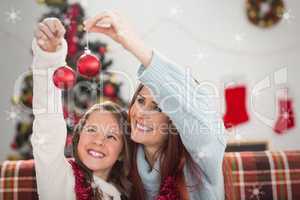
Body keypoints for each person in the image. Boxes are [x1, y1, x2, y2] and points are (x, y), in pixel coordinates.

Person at [85, 11, 228, 200]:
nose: (142, 113)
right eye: (141, 101)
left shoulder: (202, 157)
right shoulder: (123, 163)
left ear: (177, 119)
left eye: (158, 107)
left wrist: (133, 44)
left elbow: (200, 110)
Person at [30, 17, 131, 200]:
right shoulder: (58, 177)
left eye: (111, 136)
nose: (99, 141)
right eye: (91, 130)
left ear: (123, 151)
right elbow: (47, 120)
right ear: (78, 136)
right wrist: (50, 57)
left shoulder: (123, 195)